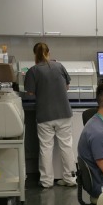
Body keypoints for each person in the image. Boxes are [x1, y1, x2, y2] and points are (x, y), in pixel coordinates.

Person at [24, 42, 77, 189]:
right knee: (66, 146)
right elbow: (66, 86)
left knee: (46, 148)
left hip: (44, 115)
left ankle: (46, 182)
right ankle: (70, 179)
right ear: (49, 52)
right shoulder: (59, 66)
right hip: (64, 113)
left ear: (35, 54)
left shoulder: (33, 71)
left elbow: (29, 92)